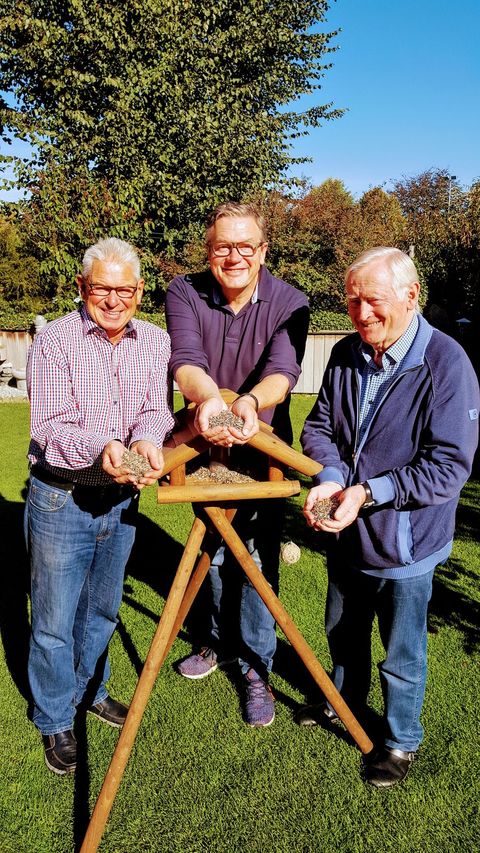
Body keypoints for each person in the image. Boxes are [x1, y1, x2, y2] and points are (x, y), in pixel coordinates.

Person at [299, 247, 479, 787]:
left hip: (406, 543)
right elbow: (319, 426)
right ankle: (343, 704)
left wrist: (368, 492)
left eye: (372, 301)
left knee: (401, 651)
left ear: (410, 296)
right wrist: (331, 478)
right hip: (345, 531)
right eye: (352, 301)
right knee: (342, 632)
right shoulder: (347, 354)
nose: (361, 313)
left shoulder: (447, 364)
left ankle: (401, 741)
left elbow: (449, 468)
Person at [25, 237, 175, 775]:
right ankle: (54, 717)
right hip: (61, 497)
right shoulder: (54, 340)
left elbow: (156, 411)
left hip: (120, 501)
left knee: (102, 610)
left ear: (140, 290)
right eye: (101, 289)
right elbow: (48, 426)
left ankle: (89, 690)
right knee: (54, 621)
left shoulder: (155, 342)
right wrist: (102, 448)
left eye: (124, 290)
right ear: (81, 288)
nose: (113, 300)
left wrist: (146, 442)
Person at [165, 201, 309, 727]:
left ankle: (255, 666)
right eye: (222, 246)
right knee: (212, 544)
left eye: (245, 246)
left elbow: (283, 370)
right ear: (209, 250)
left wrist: (247, 404)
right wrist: (208, 401)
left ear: (263, 250)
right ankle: (217, 641)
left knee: (254, 558)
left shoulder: (290, 301)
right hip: (203, 443)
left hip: (261, 448)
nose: (233, 256)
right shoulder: (184, 290)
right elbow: (185, 358)